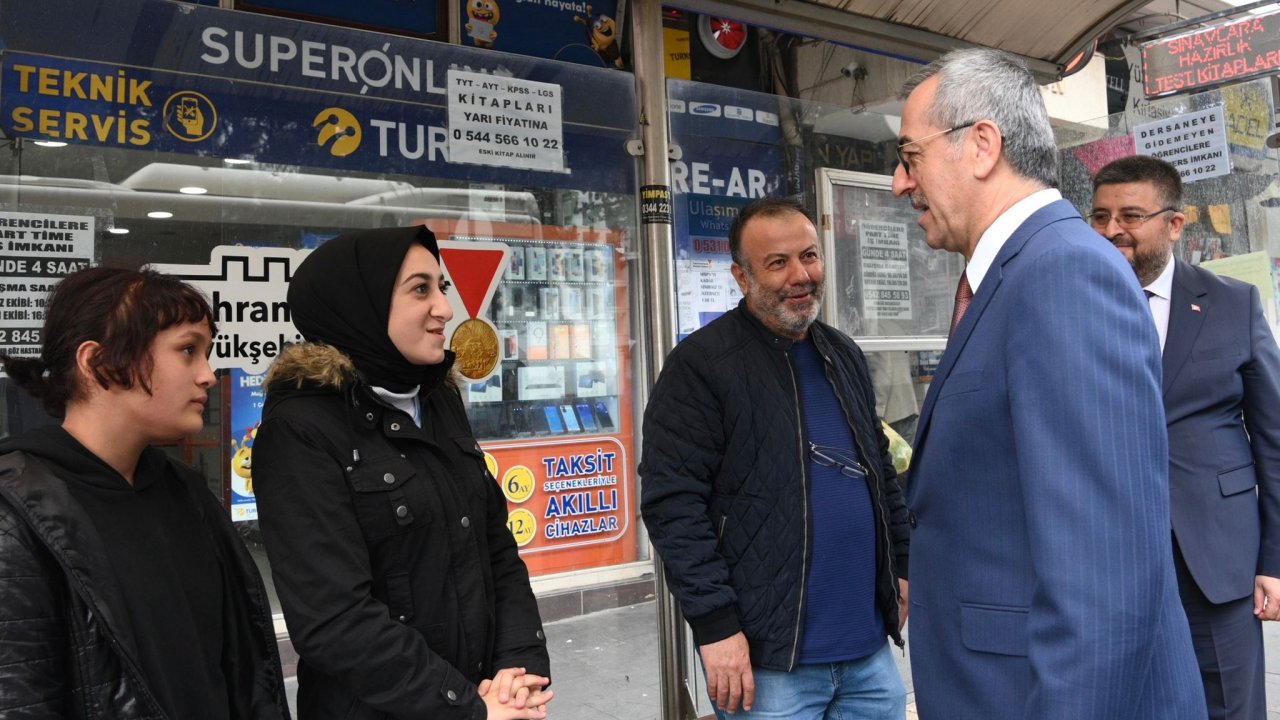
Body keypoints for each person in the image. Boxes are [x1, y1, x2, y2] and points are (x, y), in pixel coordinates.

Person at [891, 48, 1204, 720]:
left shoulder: (1062, 273)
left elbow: (1105, 574)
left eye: (910, 155)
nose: (899, 182)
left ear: (981, 145)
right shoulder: (1021, 272)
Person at [252, 226, 552, 720]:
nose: (445, 309)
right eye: (420, 289)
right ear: (360, 304)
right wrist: (466, 709)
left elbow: (496, 550)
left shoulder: (438, 399)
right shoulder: (301, 431)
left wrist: (518, 671)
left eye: (442, 287)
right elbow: (335, 620)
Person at [640, 197, 911, 720]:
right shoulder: (702, 367)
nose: (800, 275)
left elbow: (881, 471)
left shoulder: (842, 354)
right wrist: (716, 627)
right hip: (768, 668)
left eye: (809, 256)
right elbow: (673, 506)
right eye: (777, 263)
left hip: (868, 655)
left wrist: (903, 563)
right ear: (742, 277)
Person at [0, 267, 290, 719]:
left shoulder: (184, 491)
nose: (208, 375)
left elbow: (241, 669)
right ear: (98, 363)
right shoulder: (18, 513)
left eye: (207, 353)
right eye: (188, 350)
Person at [1091, 154, 1280, 720]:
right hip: (1107, 556)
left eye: (1130, 216)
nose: (1112, 230)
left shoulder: (1234, 303)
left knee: (1227, 706)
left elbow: (1273, 440)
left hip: (1213, 560)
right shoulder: (1074, 304)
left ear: (1175, 224)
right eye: (1099, 216)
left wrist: (1274, 560)